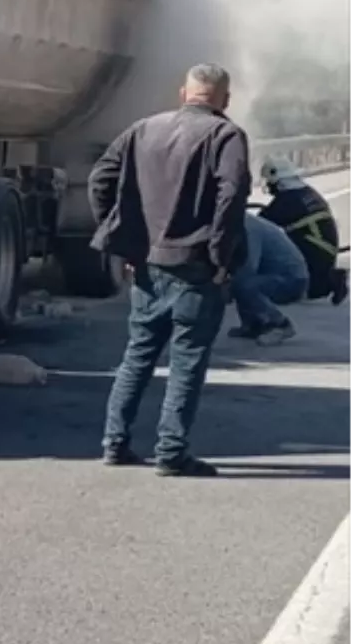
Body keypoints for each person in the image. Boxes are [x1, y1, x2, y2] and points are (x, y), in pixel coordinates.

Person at [87, 62, 250, 476]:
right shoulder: (226, 135)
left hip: (147, 262)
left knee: (138, 355)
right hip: (195, 266)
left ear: (184, 93)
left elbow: (100, 178)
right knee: (187, 360)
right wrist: (220, 255)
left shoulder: (143, 129)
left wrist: (120, 238)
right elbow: (231, 197)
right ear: (225, 99)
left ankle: (114, 442)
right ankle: (171, 452)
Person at [259, 159, 348, 306]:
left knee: (303, 288)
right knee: (313, 288)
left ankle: (330, 279)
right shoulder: (305, 192)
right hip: (323, 249)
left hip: (314, 251)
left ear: (278, 181)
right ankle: (329, 277)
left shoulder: (287, 201)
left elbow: (259, 224)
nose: (269, 185)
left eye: (270, 182)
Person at [226, 208, 309, 344]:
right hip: (277, 275)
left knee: (243, 284)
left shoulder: (247, 228)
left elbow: (248, 266)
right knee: (240, 282)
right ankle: (254, 324)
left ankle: (279, 324)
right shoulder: (242, 222)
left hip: (292, 280)